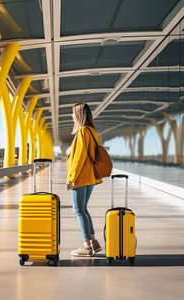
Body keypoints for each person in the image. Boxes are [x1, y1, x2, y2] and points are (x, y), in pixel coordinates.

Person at [66, 102, 103, 257]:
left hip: (80, 177)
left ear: (79, 115)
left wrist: (71, 178)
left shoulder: (82, 132)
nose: (72, 116)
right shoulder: (92, 131)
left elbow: (79, 158)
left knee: (78, 210)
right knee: (84, 209)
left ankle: (87, 246)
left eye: (73, 113)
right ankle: (93, 242)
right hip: (91, 177)